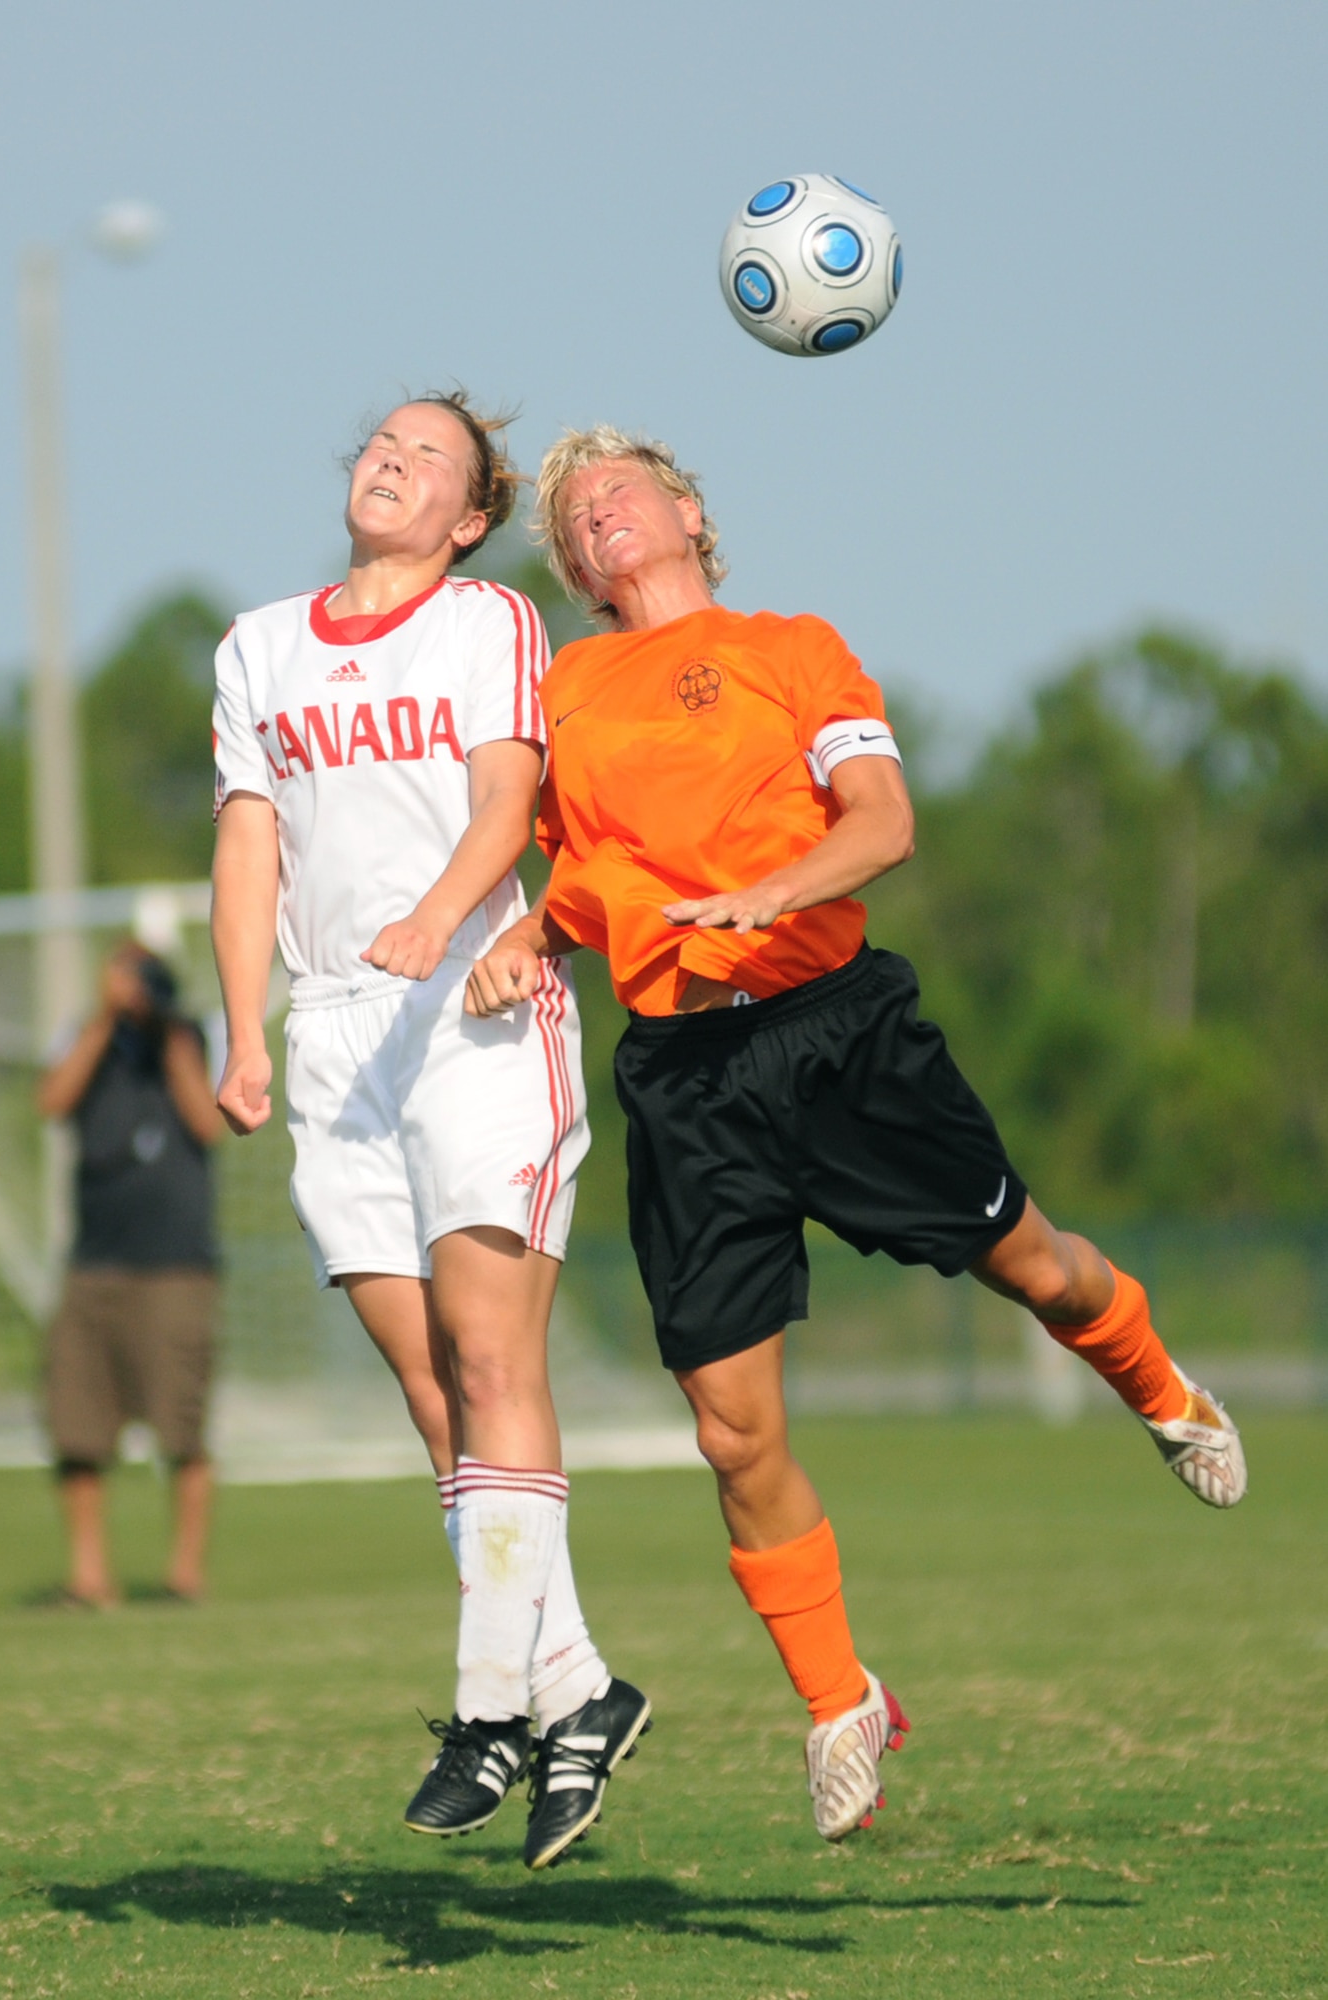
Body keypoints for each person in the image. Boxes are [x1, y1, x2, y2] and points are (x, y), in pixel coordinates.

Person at [464, 424, 1248, 1847]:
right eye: (572, 520)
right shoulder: (569, 686)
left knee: (1040, 1273)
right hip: (685, 1081)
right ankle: (839, 1704)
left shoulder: (791, 646)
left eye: (617, 494)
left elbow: (881, 822)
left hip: (837, 1036)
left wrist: (768, 894)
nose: (594, 522)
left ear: (690, 513)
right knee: (726, 1427)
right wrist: (528, 936)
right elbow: (589, 872)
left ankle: (1158, 1385)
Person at [209, 392, 648, 1872]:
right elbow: (248, 842)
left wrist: (438, 919)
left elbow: (509, 801)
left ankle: (491, 1709)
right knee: (428, 1387)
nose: (390, 461)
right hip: (335, 1034)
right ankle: (577, 1686)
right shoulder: (257, 645)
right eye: (379, 443)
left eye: (429, 457)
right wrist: (239, 1027)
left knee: (488, 1356)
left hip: (469, 1002)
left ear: (467, 518)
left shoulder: (488, 622)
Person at [37, 940, 224, 1608]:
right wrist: (102, 1023)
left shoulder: (196, 1035)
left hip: (176, 1266)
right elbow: (52, 1101)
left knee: (181, 1425)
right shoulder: (84, 1037)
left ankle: (184, 1575)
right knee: (78, 1426)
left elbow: (208, 1120)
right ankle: (90, 1578)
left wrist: (168, 1031)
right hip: (94, 1264)